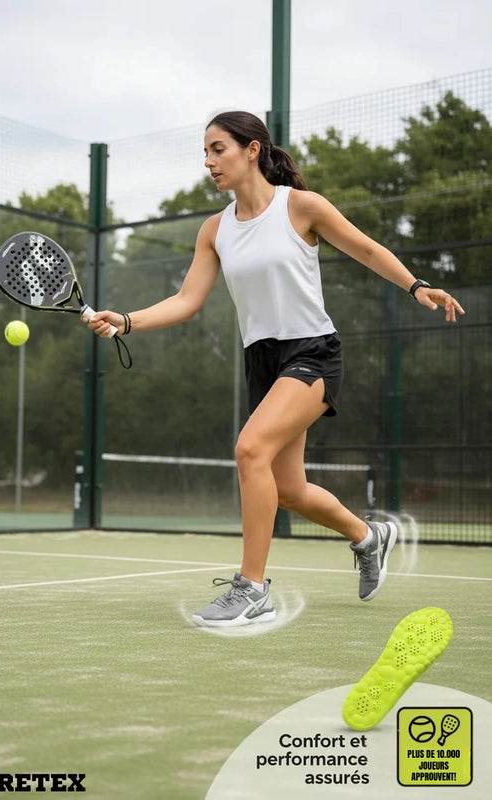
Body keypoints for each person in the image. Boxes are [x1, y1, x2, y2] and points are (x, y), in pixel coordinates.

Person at [84, 111, 465, 628]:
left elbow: (366, 248)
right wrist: (127, 321)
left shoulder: (300, 206)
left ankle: (252, 589)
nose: (209, 161)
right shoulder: (214, 230)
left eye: (218, 149)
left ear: (252, 150)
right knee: (287, 489)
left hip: (312, 352)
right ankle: (368, 536)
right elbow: (186, 300)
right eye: (205, 152)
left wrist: (417, 286)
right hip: (262, 362)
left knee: (249, 449)